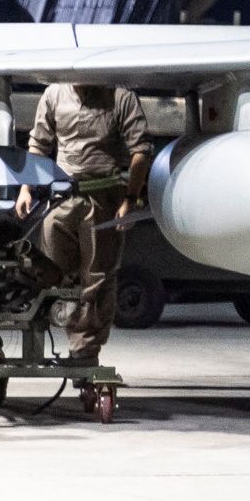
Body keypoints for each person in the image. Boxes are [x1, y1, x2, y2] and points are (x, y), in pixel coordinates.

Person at [21, 81, 156, 365]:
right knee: (52, 271)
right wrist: (27, 189)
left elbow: (140, 150)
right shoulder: (54, 94)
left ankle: (85, 350)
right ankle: (64, 328)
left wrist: (130, 198)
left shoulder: (121, 97)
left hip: (103, 197)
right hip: (62, 196)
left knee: (98, 276)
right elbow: (38, 145)